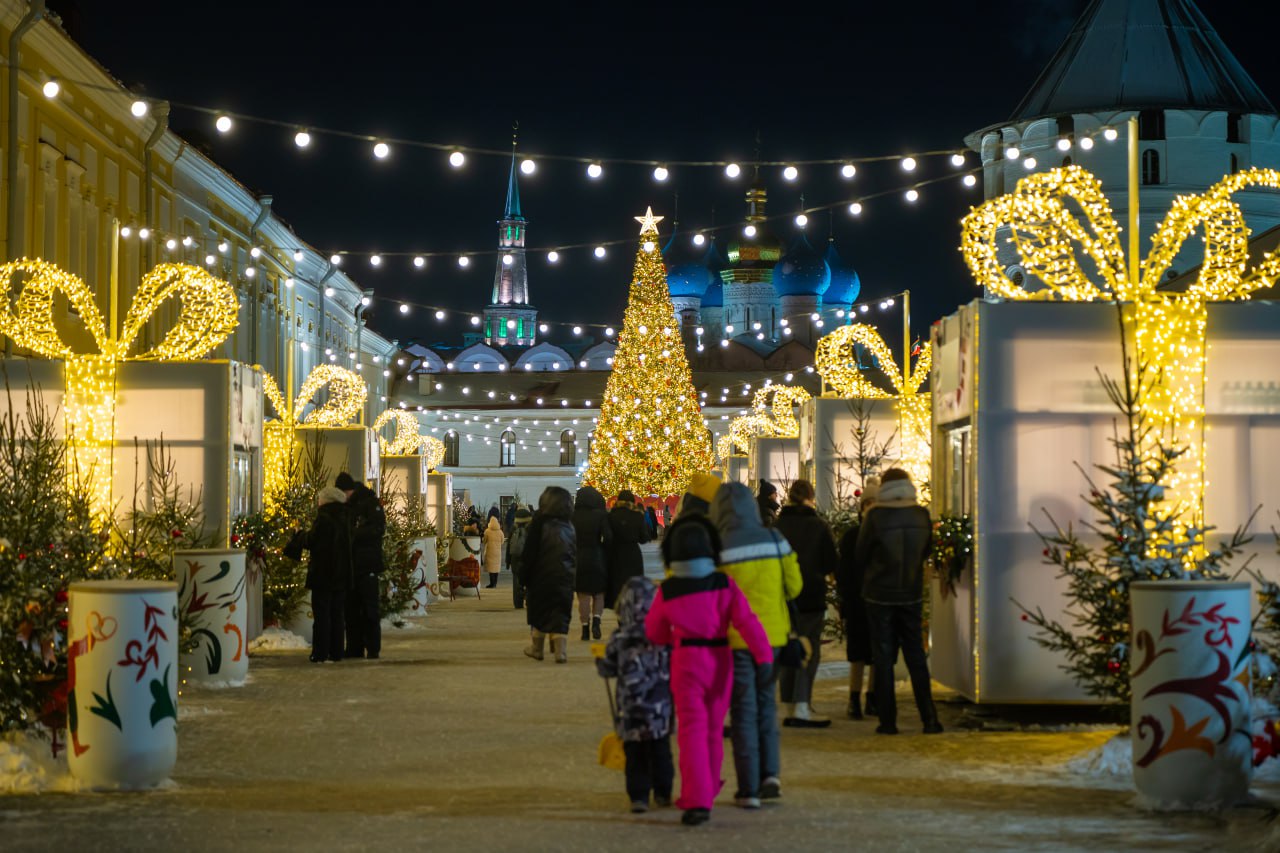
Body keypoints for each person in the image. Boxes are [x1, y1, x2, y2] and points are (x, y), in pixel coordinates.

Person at [645, 515, 771, 826]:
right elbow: (748, 622)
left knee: (691, 731)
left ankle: (697, 798)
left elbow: (655, 633)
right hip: (720, 661)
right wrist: (764, 657)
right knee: (714, 729)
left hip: (686, 660)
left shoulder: (669, 590)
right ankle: (709, 786)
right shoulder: (724, 584)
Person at [711, 481, 802, 808]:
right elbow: (794, 587)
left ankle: (748, 788)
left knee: (743, 712)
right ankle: (771, 777)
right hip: (773, 638)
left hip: (735, 641)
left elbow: (713, 600)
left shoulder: (718, 547)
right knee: (767, 706)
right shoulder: (775, 540)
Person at [855, 468, 942, 735]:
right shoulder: (921, 514)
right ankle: (929, 718)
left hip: (879, 594)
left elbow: (861, 554)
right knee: (915, 655)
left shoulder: (875, 516)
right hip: (911, 592)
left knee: (883, 657)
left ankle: (888, 720)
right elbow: (927, 549)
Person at [596, 576, 674, 814]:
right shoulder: (665, 635)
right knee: (661, 750)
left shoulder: (620, 638)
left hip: (631, 708)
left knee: (635, 753)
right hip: (661, 708)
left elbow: (607, 668)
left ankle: (639, 796)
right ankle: (663, 792)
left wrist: (602, 661)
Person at [836, 477, 880, 719]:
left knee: (875, 653)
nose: (870, 507)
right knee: (858, 652)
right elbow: (844, 572)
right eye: (867, 502)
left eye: (875, 502)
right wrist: (845, 597)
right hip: (856, 600)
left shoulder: (882, 534)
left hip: (877, 600)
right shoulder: (852, 536)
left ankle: (871, 697)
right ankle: (854, 697)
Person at [522, 486, 577, 663]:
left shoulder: (539, 524)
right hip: (564, 576)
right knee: (561, 612)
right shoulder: (569, 526)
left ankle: (537, 648)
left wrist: (524, 576)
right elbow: (574, 553)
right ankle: (561, 652)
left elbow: (529, 553)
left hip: (541, 576)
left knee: (540, 612)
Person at [336, 472, 386, 661]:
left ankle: (373, 648)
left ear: (350, 490)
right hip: (351, 565)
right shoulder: (347, 506)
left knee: (369, 608)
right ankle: (354, 648)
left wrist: (354, 534)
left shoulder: (369, 503)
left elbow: (378, 529)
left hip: (367, 564)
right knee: (351, 610)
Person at [302, 486, 352, 663]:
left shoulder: (324, 518)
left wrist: (302, 537)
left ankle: (320, 652)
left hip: (323, 573)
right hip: (341, 573)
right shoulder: (345, 517)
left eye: (320, 499)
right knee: (337, 614)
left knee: (322, 615)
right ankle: (336, 651)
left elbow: (315, 541)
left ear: (326, 501)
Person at [572, 485, 613, 641]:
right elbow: (608, 537)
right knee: (598, 593)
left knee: (583, 595)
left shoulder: (573, 516)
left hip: (580, 558)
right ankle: (596, 621)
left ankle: (584, 628)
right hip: (597, 557)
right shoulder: (601, 515)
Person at [606, 489, 651, 609]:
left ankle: (620, 616)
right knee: (633, 587)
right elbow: (643, 538)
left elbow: (607, 537)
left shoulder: (611, 516)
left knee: (617, 586)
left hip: (616, 554)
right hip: (633, 554)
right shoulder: (638, 515)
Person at [508, 506, 533, 609]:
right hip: (529, 558)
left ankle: (518, 602)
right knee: (530, 580)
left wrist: (507, 561)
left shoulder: (513, 529)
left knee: (517, 581)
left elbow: (510, 544)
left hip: (515, 558)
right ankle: (529, 599)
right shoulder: (532, 528)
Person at [482, 515, 505, 589]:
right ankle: (495, 583)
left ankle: (492, 583)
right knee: (496, 568)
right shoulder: (500, 532)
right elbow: (502, 541)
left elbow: (484, 541)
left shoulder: (487, 531)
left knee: (491, 568)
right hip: (497, 553)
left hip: (490, 552)